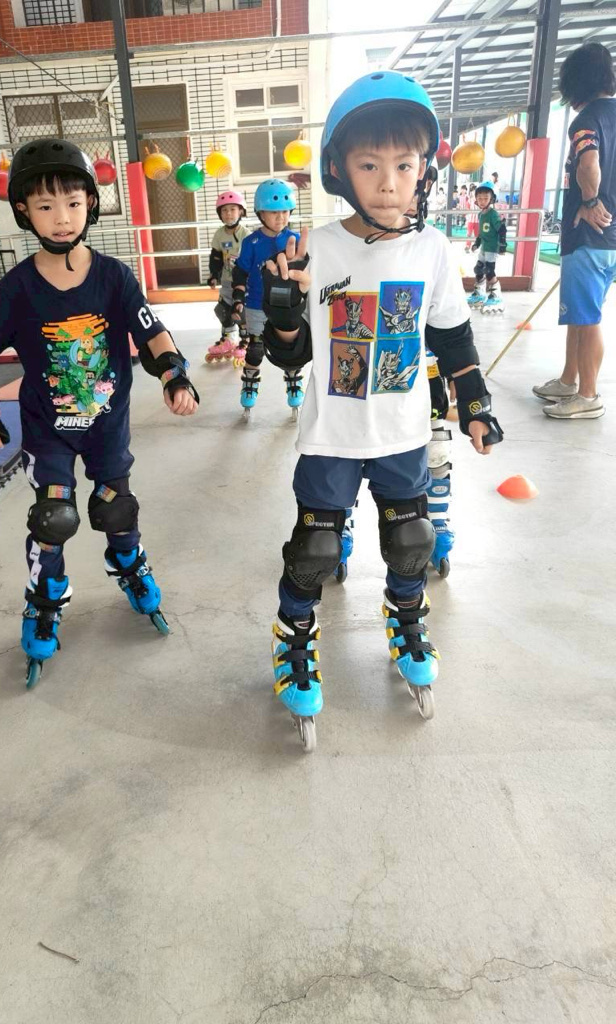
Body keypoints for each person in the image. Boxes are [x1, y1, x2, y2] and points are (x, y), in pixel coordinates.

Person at [259, 71, 503, 748]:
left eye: (403, 165)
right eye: (370, 165)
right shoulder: (314, 246)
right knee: (314, 548)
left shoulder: (432, 250)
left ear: (424, 170)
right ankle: (293, 634)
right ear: (340, 169)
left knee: (411, 540)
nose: (389, 182)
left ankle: (406, 615)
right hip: (332, 436)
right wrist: (284, 314)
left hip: (401, 432)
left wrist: (475, 403)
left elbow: (453, 337)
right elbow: (290, 355)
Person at [0, 139, 199, 686]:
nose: (62, 218)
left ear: (91, 205)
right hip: (48, 430)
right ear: (24, 211)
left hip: (106, 427)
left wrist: (174, 375)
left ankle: (129, 564)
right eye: (46, 206)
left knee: (117, 509)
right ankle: (45, 597)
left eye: (73, 204)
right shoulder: (19, 286)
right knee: (53, 518)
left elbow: (152, 332)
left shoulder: (114, 277)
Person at [533, 42, 616, 419]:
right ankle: (569, 379)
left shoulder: (586, 120)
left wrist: (590, 200)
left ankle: (588, 395)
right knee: (580, 313)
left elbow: (589, 163)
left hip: (589, 235)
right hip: (609, 239)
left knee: (587, 318)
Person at [231, 179, 303, 419]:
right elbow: (240, 271)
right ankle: (249, 385)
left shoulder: (295, 240)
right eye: (273, 212)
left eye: (285, 211)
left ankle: (294, 382)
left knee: (291, 348)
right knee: (255, 349)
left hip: (287, 307)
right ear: (260, 213)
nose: (280, 217)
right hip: (257, 305)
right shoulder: (251, 242)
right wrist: (238, 298)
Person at [205, 190, 249, 366]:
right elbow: (216, 257)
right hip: (226, 280)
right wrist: (213, 275)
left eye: (232, 209)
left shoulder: (246, 235)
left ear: (241, 211)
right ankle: (229, 339)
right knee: (222, 310)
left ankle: (246, 341)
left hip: (243, 282)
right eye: (224, 210)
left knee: (240, 311)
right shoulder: (219, 234)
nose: (228, 213)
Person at [467, 180, 508, 313]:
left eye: (485, 198)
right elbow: (481, 233)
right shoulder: (481, 214)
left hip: (491, 248)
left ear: (492, 199)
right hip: (484, 247)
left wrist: (502, 245)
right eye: (480, 198)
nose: (482, 201)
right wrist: (476, 244)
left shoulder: (493, 214)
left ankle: (496, 296)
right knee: (479, 269)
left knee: (489, 271)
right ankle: (479, 293)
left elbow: (501, 229)